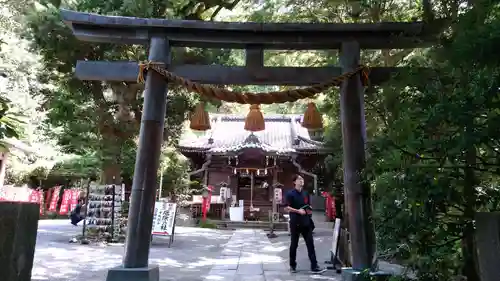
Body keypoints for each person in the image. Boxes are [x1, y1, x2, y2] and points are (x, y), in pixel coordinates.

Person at [284, 174, 326, 274]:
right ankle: (292, 265)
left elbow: (308, 206)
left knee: (310, 244)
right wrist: (298, 211)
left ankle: (314, 266)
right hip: (295, 222)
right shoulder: (290, 194)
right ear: (294, 182)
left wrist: (309, 210)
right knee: (294, 244)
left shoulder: (305, 193)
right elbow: (286, 207)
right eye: (299, 179)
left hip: (306, 222)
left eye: (302, 179)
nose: (301, 180)